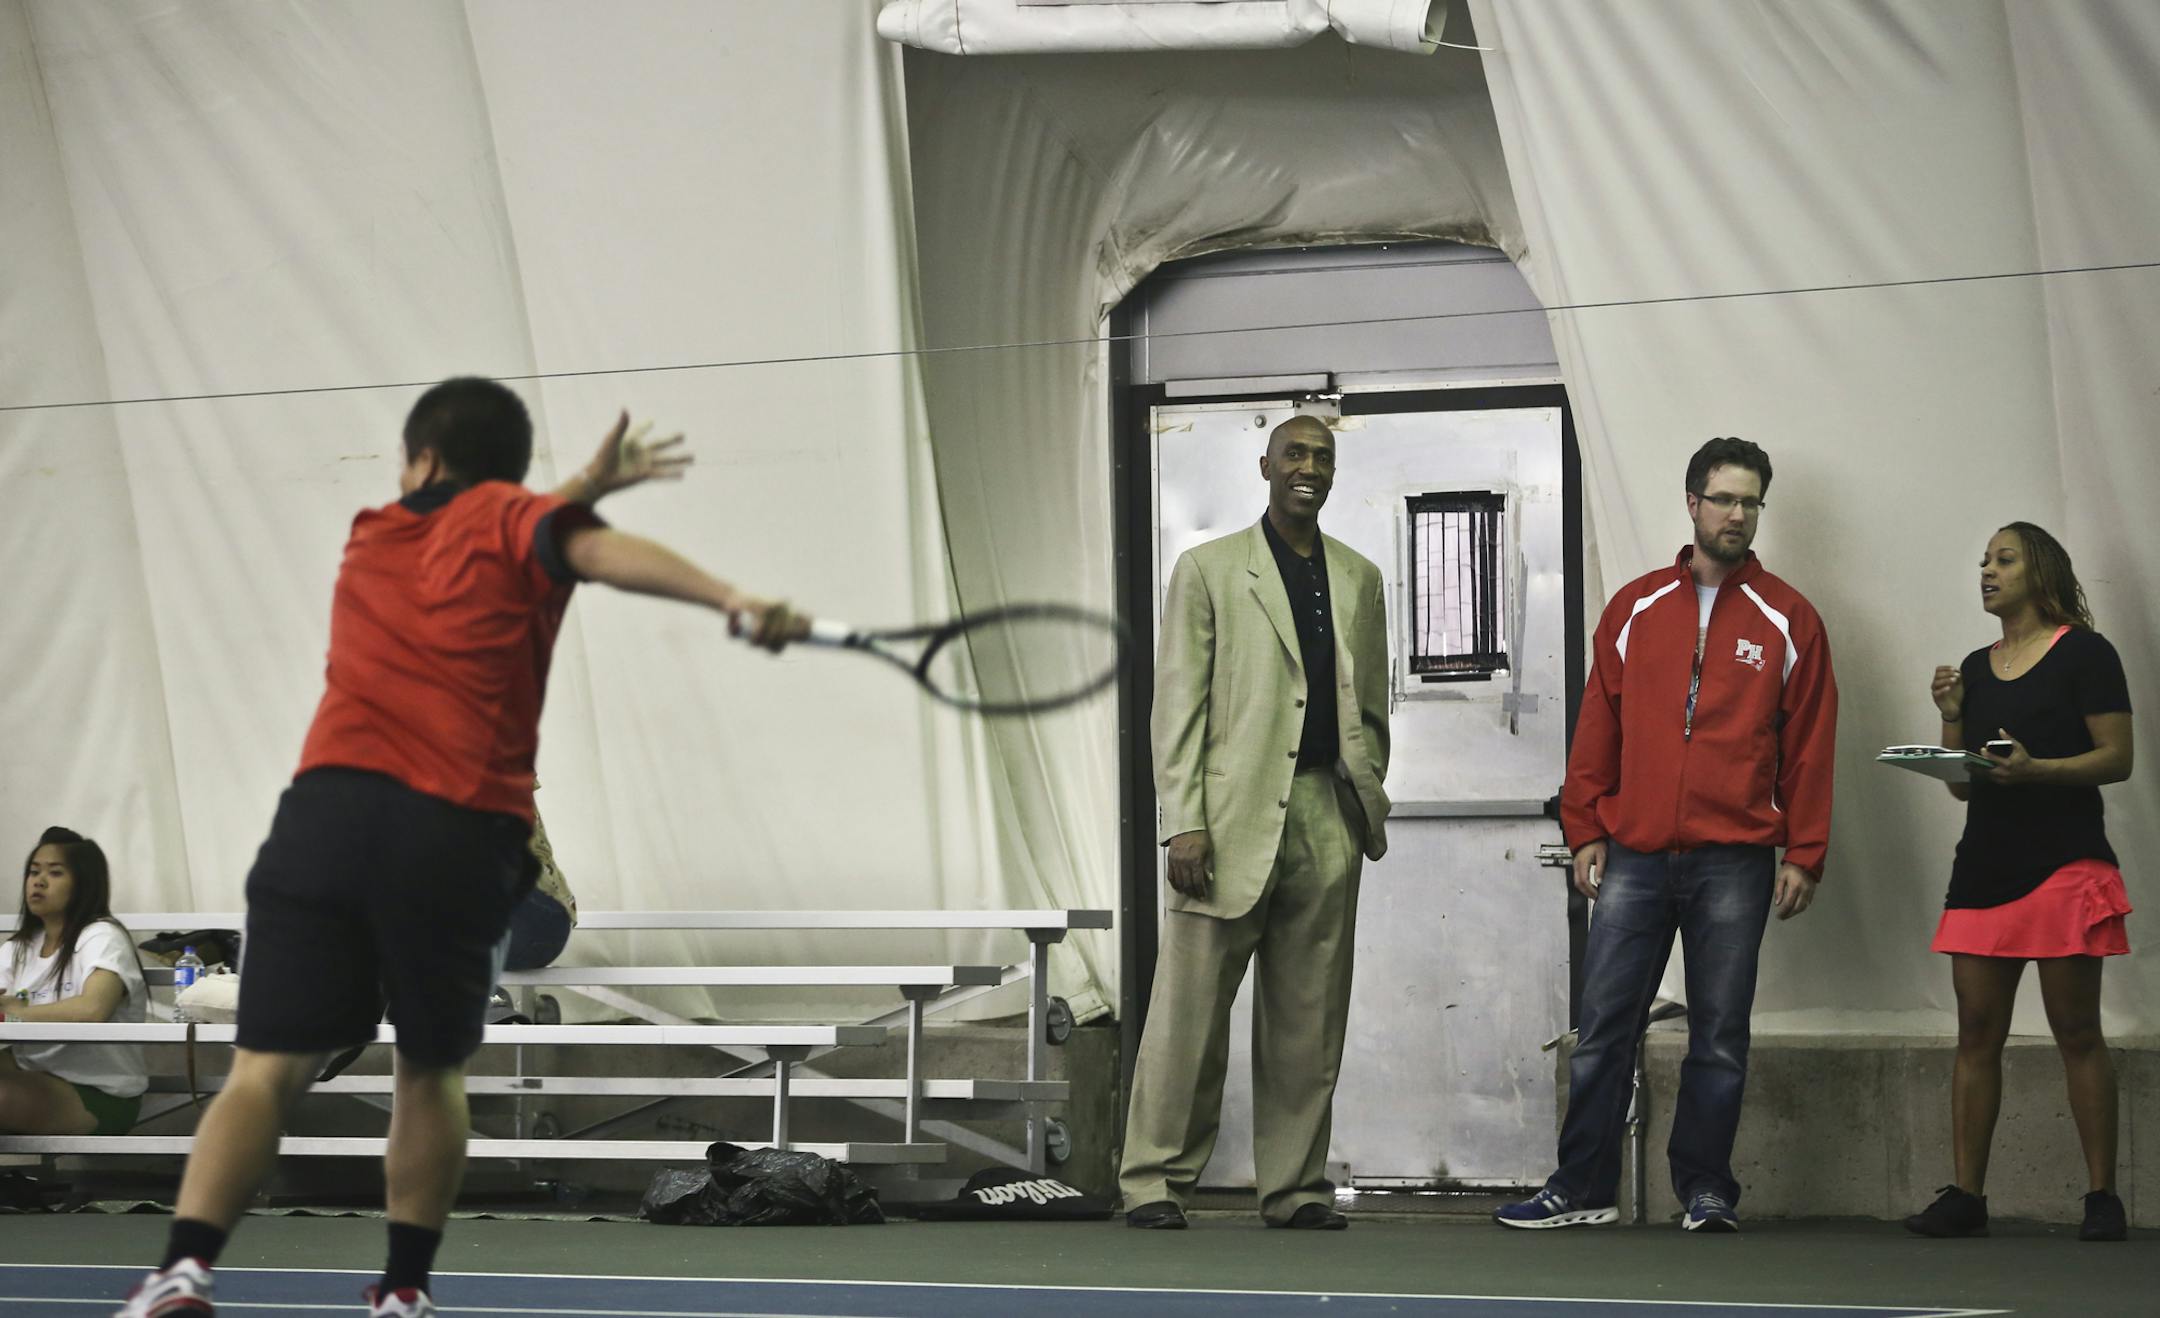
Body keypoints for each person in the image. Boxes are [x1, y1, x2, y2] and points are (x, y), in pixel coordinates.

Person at [117, 379, 808, 1318]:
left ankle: (183, 1269)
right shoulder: (523, 523)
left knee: (266, 1068)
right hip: (454, 830)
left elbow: (521, 530)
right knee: (428, 1070)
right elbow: (594, 551)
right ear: (511, 475)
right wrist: (735, 596)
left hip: (325, 818)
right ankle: (403, 1290)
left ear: (424, 461)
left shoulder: (373, 535)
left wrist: (578, 488)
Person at [1496, 436, 1837, 1234]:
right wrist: (1585, 829)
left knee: (1719, 1035)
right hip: (1637, 853)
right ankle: (1582, 1189)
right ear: (1693, 504)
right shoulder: (1636, 607)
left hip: (1736, 859)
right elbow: (1597, 730)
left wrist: (1807, 852)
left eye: (1751, 501)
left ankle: (1707, 1191)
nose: (1738, 514)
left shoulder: (1790, 620)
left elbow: (1812, 744)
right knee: (1603, 1029)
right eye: (1723, 498)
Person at [1119, 415, 1390, 1232]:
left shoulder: (1360, 577)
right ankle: (1155, 1183)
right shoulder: (1207, 570)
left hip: (1322, 811)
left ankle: (1297, 1188)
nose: (1310, 468)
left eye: (1323, 458)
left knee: (1308, 1022)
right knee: (1188, 1018)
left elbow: (1370, 704)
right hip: (1226, 821)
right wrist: (1183, 823)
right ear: (1265, 465)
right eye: (1296, 454)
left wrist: (1360, 794)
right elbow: (1177, 708)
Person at [1904, 523, 2132, 1244]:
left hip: (2066, 863)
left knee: (2076, 1031)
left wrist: (2041, 771)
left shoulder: (2087, 654)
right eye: (1983, 561)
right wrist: (1949, 721)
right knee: (1975, 1033)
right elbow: (1964, 790)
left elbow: (2117, 758)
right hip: (1985, 868)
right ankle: (1967, 1195)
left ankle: (2102, 1197)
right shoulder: (1976, 664)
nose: (1986, 571)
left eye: (2003, 559)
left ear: (2042, 572)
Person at [0, 827, 149, 1137]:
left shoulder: (102, 936)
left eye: (55, 873)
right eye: (33, 871)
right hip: (27, 1076)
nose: (38, 881)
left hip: (96, 1093)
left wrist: (15, 1013)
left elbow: (93, 1009)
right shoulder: (17, 948)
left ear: (83, 885)